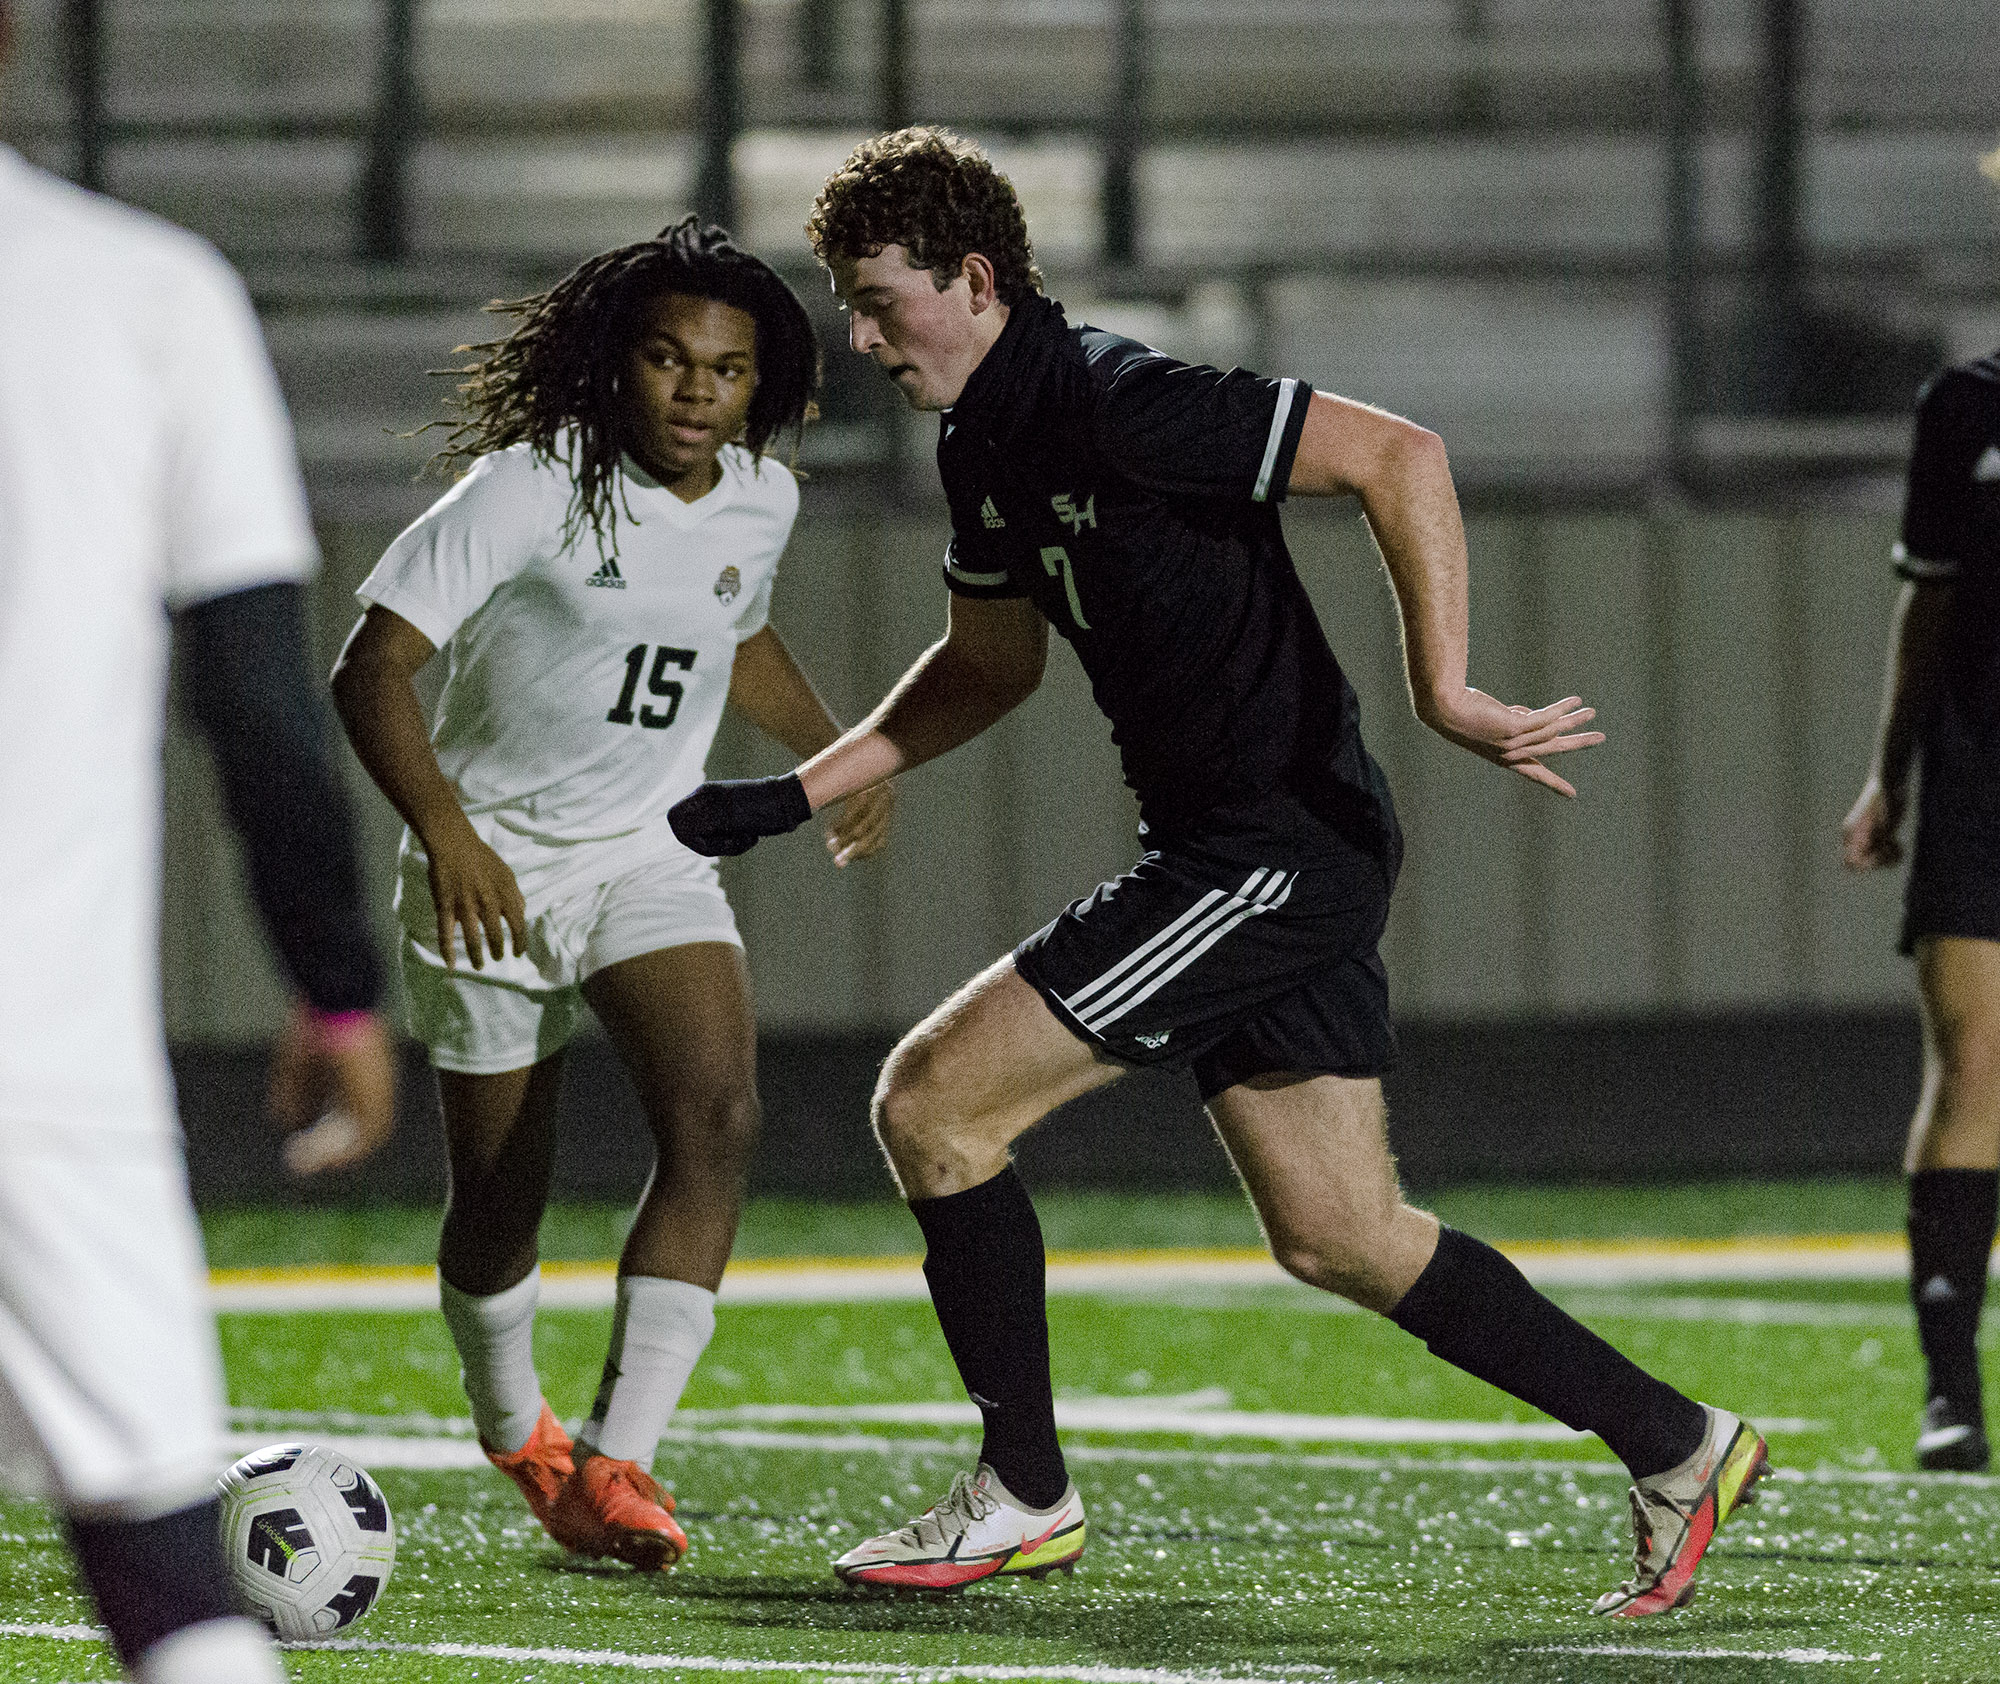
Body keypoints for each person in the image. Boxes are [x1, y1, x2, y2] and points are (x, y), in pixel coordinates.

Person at [672, 126, 1768, 1617]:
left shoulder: (1120, 398)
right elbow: (988, 666)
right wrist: (802, 792)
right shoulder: (982, 437)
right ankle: (1676, 1441)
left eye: (877, 301)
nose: (859, 338)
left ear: (976, 280)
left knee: (930, 1106)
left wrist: (1448, 690)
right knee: (1340, 1234)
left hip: (1269, 846)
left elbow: (1401, 453)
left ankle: (1023, 1492)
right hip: (1252, 847)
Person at [331, 218, 893, 1572]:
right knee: (501, 1197)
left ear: (765, 384)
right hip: (493, 871)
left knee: (718, 1114)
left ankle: (621, 1458)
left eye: (728, 367)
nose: (697, 389)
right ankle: (515, 1425)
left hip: (651, 851)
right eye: (666, 357)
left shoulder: (763, 497)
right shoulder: (527, 489)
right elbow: (369, 670)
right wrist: (447, 831)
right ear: (616, 364)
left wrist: (831, 754)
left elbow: (732, 627)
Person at [0, 9, 398, 1678]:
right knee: (166, 1574)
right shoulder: (145, 294)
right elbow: (260, 712)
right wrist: (337, 997)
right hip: (39, 1059)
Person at [1842, 164, 2000, 1472]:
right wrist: (1886, 770)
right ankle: (1953, 1393)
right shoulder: (1964, 408)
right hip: (1981, 771)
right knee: (1972, 1062)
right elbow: (1929, 604)